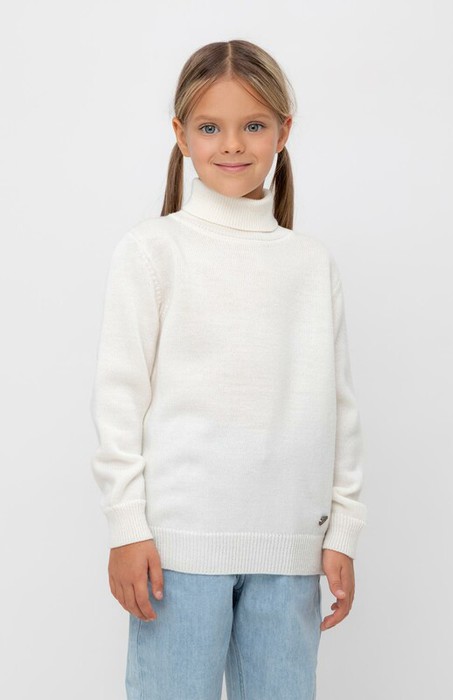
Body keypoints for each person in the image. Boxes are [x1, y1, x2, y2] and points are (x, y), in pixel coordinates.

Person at [90, 38, 368, 700]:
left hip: (290, 553)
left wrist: (343, 530)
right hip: (176, 554)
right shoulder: (152, 251)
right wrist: (127, 526)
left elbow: (338, 408)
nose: (233, 144)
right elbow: (119, 398)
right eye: (211, 127)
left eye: (254, 126)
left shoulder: (310, 264)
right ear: (181, 134)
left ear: (283, 132)